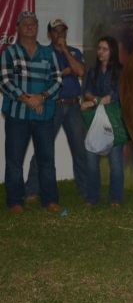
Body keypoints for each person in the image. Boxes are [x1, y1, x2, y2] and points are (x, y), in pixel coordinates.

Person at [1, 12, 62, 212]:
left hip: (43, 116)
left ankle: (50, 200)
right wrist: (28, 99)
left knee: (46, 160)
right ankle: (15, 202)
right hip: (17, 116)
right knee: (15, 162)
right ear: (17, 28)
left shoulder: (49, 53)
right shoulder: (9, 53)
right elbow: (5, 81)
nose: (29, 27)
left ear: (38, 28)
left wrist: (41, 97)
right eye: (25, 24)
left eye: (33, 24)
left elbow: (57, 81)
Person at [25, 18, 88, 203]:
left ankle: (85, 192)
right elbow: (44, 78)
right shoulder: (44, 52)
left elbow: (81, 71)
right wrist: (65, 71)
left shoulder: (74, 52)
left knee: (80, 151)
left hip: (74, 105)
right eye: (56, 31)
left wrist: (66, 51)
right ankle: (31, 191)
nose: (60, 35)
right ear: (49, 34)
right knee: (43, 148)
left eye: (63, 31)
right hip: (53, 105)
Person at [81, 36, 124, 207]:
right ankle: (92, 198)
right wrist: (96, 100)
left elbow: (116, 96)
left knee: (115, 162)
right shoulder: (93, 70)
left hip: (114, 120)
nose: (100, 52)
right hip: (96, 120)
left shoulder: (120, 71)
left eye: (104, 49)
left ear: (112, 51)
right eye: (99, 48)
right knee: (91, 158)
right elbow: (88, 92)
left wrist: (94, 102)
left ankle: (115, 199)